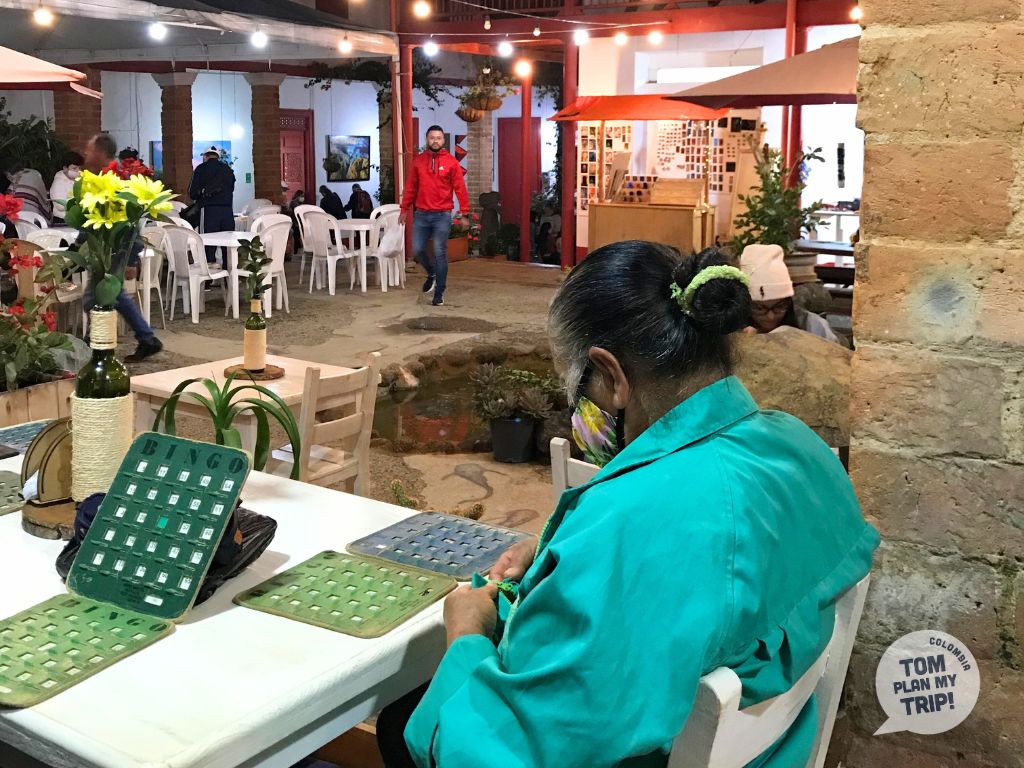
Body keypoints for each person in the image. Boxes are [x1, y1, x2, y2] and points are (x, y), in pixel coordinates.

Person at [377, 241, 879, 768]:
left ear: (613, 376)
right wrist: (560, 554)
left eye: (578, 386)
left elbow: (493, 753)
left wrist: (466, 634)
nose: (578, 407)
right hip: (777, 746)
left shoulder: (627, 521)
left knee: (399, 723)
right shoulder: (797, 446)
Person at [77, 133, 163, 362]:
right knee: (108, 294)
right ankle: (142, 339)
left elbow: (131, 224)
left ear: (100, 152)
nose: (85, 153)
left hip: (117, 247)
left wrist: (132, 259)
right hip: (102, 247)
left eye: (89, 149)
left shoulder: (117, 180)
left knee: (100, 294)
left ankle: (98, 344)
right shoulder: (97, 179)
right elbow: (91, 217)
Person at [399, 125, 470, 307]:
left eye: (438, 138)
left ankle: (439, 293)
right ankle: (431, 273)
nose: (435, 141)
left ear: (443, 140)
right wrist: (404, 209)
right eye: (432, 138)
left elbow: (460, 188)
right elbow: (411, 187)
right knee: (417, 249)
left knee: (440, 252)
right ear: (427, 139)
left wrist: (465, 213)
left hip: (442, 215)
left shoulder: (452, 162)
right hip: (421, 214)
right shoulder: (418, 162)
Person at [739, 244, 843, 344]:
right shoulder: (735, 329)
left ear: (789, 302)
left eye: (779, 307)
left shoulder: (812, 326)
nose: (771, 317)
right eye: (759, 308)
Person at [188, 146, 236, 267]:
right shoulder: (227, 169)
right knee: (227, 244)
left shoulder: (200, 169)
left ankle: (210, 273)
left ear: (206, 156)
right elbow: (231, 189)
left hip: (208, 211)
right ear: (217, 156)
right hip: (227, 211)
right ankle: (228, 271)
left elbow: (192, 193)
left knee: (208, 243)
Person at [49, 151, 84, 223]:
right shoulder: (58, 183)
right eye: (74, 168)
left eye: (80, 168)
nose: (78, 171)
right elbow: (60, 205)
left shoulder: (78, 179)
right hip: (63, 220)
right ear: (65, 168)